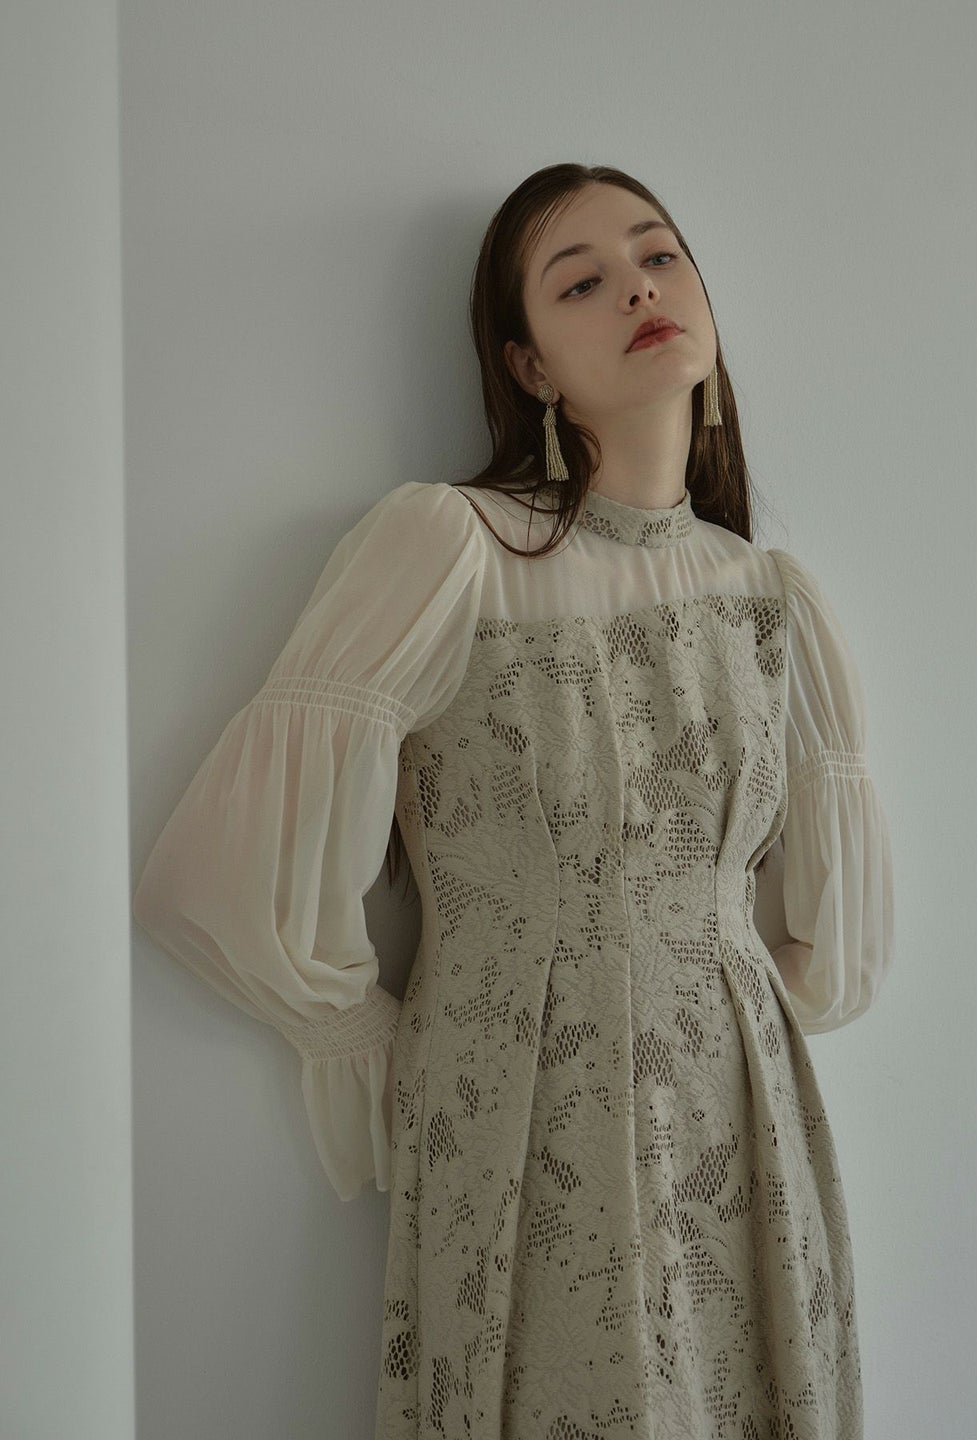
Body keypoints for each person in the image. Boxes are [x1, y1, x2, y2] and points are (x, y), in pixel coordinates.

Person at [132, 161, 895, 1440]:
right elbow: (219, 875)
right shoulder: (454, 547)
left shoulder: (773, 600)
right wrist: (375, 1046)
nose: (639, 288)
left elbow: (830, 957)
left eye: (659, 256)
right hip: (526, 1109)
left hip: (739, 1121)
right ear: (529, 364)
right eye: (581, 282)